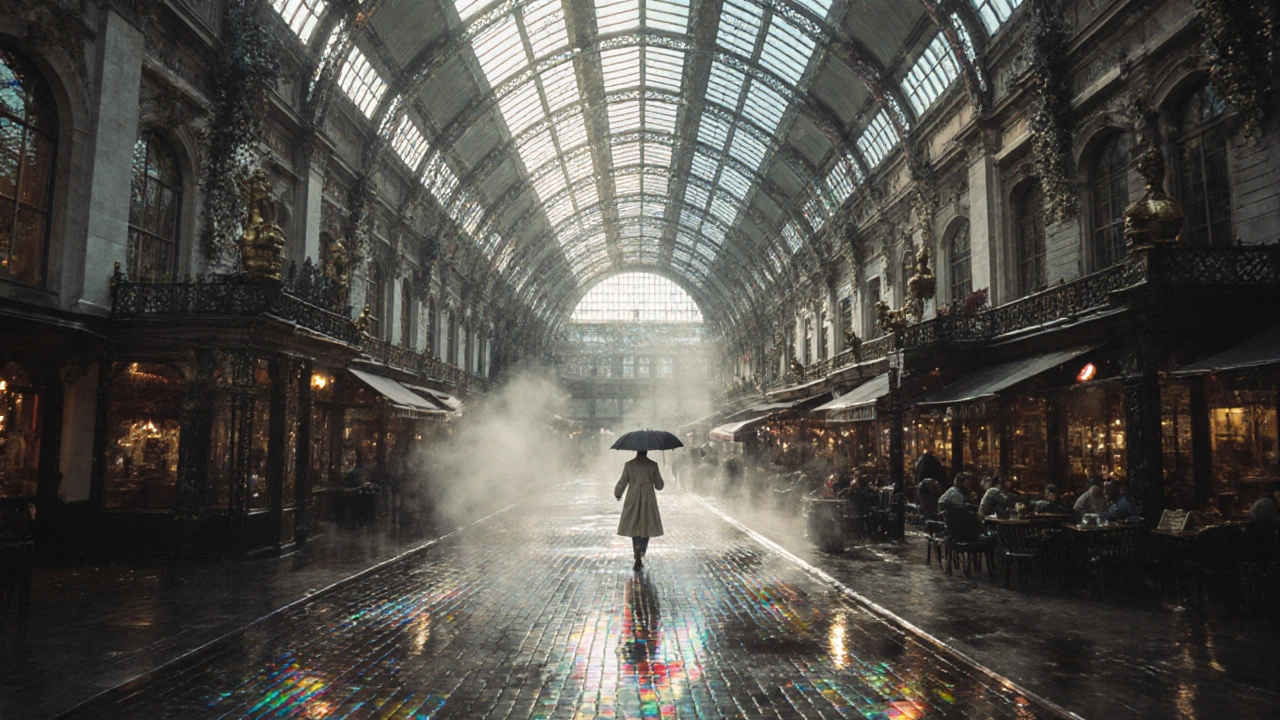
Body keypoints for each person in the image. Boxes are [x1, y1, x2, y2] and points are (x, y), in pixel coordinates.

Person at [615, 450, 665, 572]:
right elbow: (659, 486)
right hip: (648, 500)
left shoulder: (629, 465)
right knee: (646, 525)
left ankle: (636, 552)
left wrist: (618, 493)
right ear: (646, 451)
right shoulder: (653, 465)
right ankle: (642, 550)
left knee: (634, 526)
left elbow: (623, 481)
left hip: (632, 499)